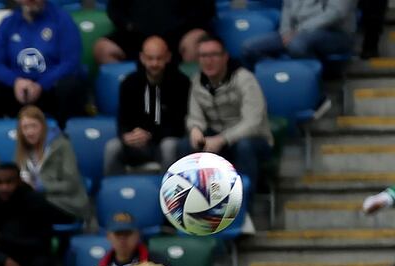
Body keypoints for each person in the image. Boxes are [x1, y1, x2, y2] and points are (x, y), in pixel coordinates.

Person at [178, 35, 273, 199]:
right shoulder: (197, 82)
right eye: (204, 56)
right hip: (216, 139)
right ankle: (192, 204)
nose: (209, 60)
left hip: (252, 140)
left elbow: (253, 122)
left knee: (244, 146)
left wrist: (222, 139)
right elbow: (195, 116)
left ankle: (244, 209)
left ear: (225, 57)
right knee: (186, 144)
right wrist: (195, 129)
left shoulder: (245, 79)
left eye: (214, 55)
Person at [0, 0, 86, 128]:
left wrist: (41, 85)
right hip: (18, 90)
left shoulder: (62, 20)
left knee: (70, 87)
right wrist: (15, 81)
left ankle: (65, 136)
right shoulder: (8, 23)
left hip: (49, 89)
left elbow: (70, 62)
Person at [103, 36, 190, 176]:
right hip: (136, 143)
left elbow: (179, 125)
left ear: (168, 57)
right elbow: (122, 120)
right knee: (112, 147)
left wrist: (150, 134)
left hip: (163, 142)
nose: (154, 63)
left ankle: (167, 193)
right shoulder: (129, 83)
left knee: (169, 145)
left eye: (159, 58)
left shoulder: (181, 83)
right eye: (150, 58)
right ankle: (114, 192)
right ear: (142, 58)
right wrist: (127, 136)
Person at [15, 105, 89, 224]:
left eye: (34, 126)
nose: (30, 132)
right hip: (37, 202)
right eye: (25, 128)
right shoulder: (23, 151)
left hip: (65, 204)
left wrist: (40, 187)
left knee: (30, 208)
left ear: (43, 127)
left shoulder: (62, 145)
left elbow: (71, 184)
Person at [240, 0, 355, 68]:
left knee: (297, 44)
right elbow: (287, 8)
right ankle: (282, 73)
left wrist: (299, 30)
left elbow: (336, 13)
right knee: (249, 48)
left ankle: (315, 83)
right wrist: (285, 31)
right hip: (295, 33)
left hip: (334, 33)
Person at [94, 0, 215, 65]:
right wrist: (129, 26)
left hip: (179, 35)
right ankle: (132, 94)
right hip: (137, 36)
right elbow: (114, 10)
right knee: (103, 49)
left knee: (194, 42)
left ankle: (187, 95)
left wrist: (177, 26)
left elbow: (207, 9)